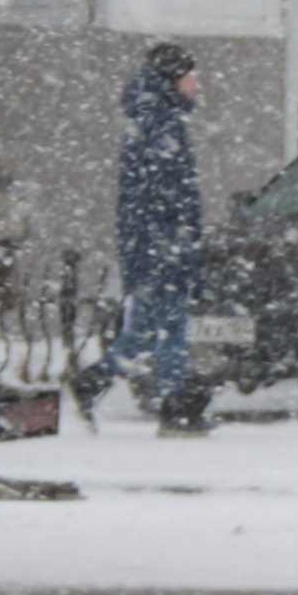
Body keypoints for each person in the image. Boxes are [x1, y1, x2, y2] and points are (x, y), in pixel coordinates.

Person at [75, 41, 213, 432]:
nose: (195, 83)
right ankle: (174, 404)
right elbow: (167, 189)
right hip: (162, 240)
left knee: (151, 325)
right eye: (191, 75)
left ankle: (93, 381)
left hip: (152, 238)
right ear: (174, 78)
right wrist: (177, 239)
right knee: (172, 323)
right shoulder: (162, 122)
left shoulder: (150, 116)